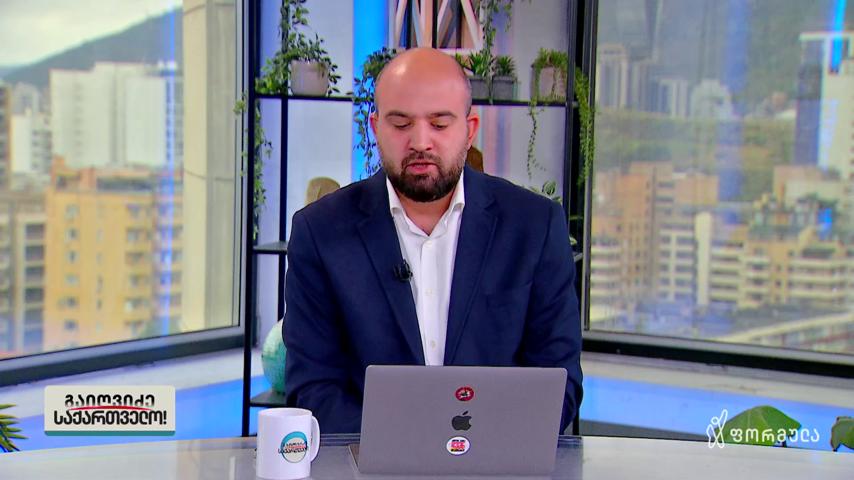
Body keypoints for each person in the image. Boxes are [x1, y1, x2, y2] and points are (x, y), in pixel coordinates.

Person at [283, 48, 582, 433]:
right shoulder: (321, 232)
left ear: (470, 130)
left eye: (439, 124)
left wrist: (468, 448)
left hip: (498, 462)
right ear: (375, 128)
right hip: (369, 461)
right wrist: (411, 447)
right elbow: (312, 389)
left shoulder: (534, 227)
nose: (420, 142)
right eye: (401, 124)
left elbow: (558, 383)